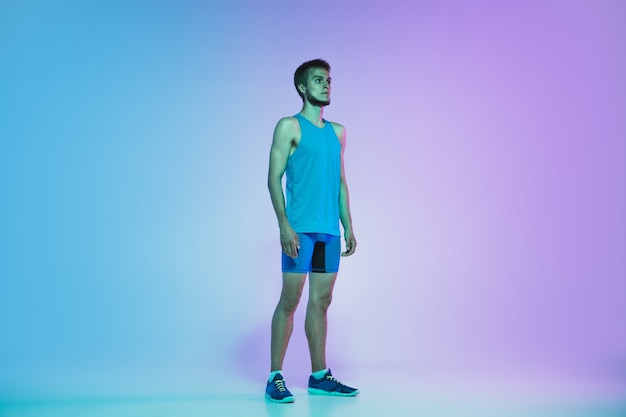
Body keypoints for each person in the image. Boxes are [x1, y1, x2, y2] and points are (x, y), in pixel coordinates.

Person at [265, 59, 359, 403]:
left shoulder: (338, 132)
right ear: (302, 87)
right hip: (300, 231)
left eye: (329, 80)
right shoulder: (289, 126)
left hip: (328, 233)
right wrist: (283, 225)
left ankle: (319, 375)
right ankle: (275, 376)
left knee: (321, 302)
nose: (326, 85)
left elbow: (341, 183)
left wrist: (348, 224)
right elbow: (273, 179)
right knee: (290, 300)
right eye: (318, 80)